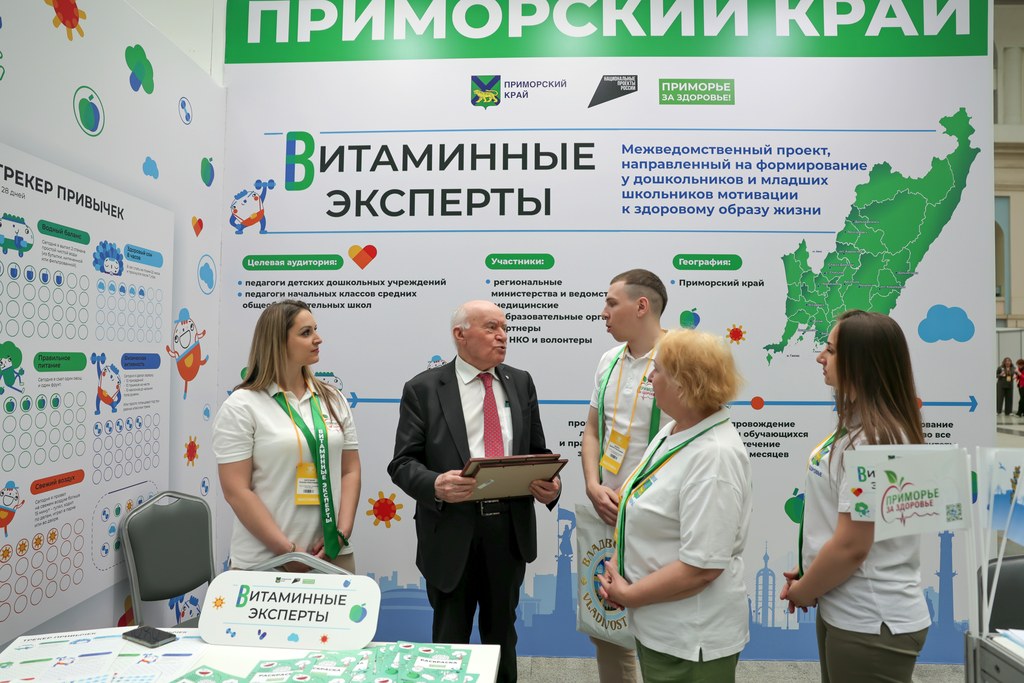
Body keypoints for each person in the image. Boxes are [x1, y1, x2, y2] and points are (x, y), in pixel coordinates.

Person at [388, 300, 560, 683]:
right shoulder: (423, 389)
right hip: (451, 532)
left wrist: (551, 486)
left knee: (502, 641)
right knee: (449, 645)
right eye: (491, 327)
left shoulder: (521, 382)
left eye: (504, 327)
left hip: (508, 532)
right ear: (460, 335)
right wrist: (435, 484)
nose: (503, 336)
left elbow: (538, 450)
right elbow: (402, 463)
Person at [781, 310, 930, 683]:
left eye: (831, 350)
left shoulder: (875, 441)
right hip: (849, 610)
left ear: (861, 363)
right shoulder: (860, 428)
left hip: (871, 620)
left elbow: (852, 546)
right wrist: (812, 571)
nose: (820, 357)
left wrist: (805, 590)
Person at [597, 329, 752, 683]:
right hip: (660, 627)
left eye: (658, 370)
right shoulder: (674, 432)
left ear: (684, 384)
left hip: (690, 638)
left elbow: (701, 568)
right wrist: (621, 572)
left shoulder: (714, 457)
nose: (650, 378)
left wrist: (629, 594)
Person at [213, 299, 361, 572]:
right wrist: (288, 552)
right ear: (277, 342)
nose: (318, 339)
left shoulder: (333, 399)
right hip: (265, 561)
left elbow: (350, 470)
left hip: (331, 554)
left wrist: (341, 533)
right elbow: (236, 491)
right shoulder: (242, 405)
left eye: (315, 329)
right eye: (306, 333)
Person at [580, 269, 669, 683]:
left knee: (657, 628)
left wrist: (628, 491)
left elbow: (686, 440)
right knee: (609, 626)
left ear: (641, 306)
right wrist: (593, 486)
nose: (604, 312)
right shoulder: (608, 360)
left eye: (611, 303)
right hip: (608, 511)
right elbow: (592, 430)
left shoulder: (679, 357)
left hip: (656, 515)